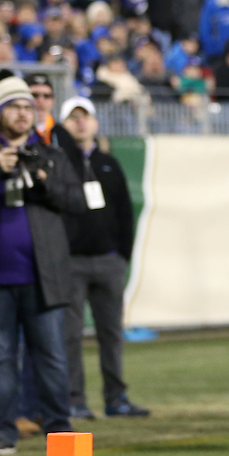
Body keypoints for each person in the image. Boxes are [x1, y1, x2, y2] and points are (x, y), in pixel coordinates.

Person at [0, 77, 87, 455]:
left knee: (51, 355)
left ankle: (59, 430)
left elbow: (77, 203)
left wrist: (45, 183)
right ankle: (1, 433)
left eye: (28, 107)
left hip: (44, 275)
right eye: (14, 106)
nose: (23, 113)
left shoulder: (50, 155)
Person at [59, 96, 147, 418]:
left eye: (85, 117)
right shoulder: (58, 163)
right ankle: (74, 400)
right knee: (70, 337)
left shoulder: (110, 163)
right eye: (73, 118)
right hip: (72, 263)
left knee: (111, 334)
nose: (80, 123)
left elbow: (126, 214)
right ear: (64, 125)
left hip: (108, 262)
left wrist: (121, 256)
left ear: (95, 123)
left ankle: (116, 398)